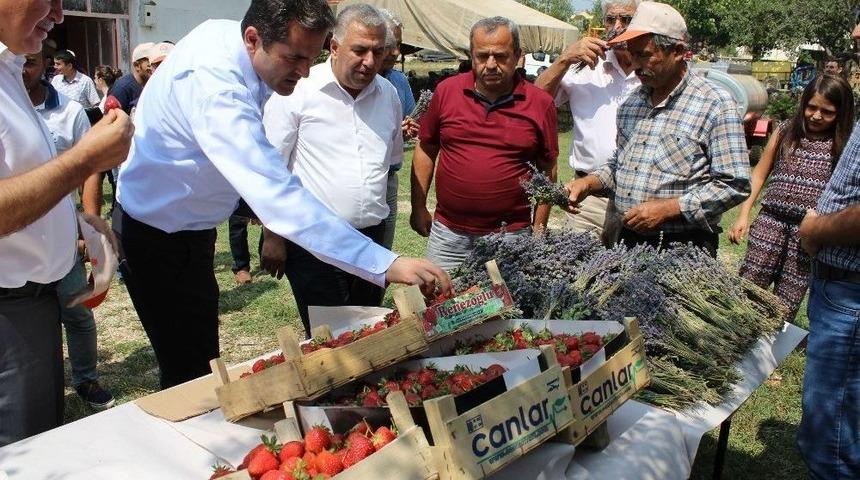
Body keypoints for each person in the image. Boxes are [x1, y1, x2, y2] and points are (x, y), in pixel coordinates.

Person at [114, 0, 451, 390]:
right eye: (294, 58)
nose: (305, 72)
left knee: (201, 363)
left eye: (312, 57)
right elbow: (278, 196)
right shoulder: (216, 89)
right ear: (253, 39)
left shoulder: (233, 40)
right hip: (157, 235)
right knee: (190, 379)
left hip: (192, 227)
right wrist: (385, 263)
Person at [0, 0, 133, 446]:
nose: (59, 15)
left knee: (40, 442)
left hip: (30, 306)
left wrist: (81, 221)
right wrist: (84, 159)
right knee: (24, 453)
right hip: (10, 310)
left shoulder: (9, 69)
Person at [564, 2, 750, 257]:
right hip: (627, 240)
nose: (634, 64)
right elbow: (621, 165)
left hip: (682, 248)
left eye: (644, 55)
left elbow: (735, 184)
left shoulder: (715, 104)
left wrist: (670, 209)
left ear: (678, 51)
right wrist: (588, 183)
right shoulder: (632, 103)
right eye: (632, 54)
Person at [262, 4, 403, 332]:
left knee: (370, 330)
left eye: (378, 51)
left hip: (371, 239)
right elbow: (270, 169)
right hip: (315, 241)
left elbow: (389, 166)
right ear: (334, 46)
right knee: (332, 338)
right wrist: (273, 237)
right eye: (360, 50)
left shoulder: (389, 95)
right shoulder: (298, 90)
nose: (370, 61)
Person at [22, 48, 117, 410]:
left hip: (61, 235)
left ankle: (86, 379)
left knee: (77, 312)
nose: (22, 70)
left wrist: (88, 226)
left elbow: (90, 168)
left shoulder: (69, 112)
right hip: (15, 241)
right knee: (28, 322)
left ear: (44, 64)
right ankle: (36, 390)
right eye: (16, 62)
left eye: (30, 62)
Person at [729, 75, 854, 322]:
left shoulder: (844, 145)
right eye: (811, 107)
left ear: (841, 113)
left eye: (827, 112)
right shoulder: (786, 131)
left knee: (788, 298)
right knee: (748, 286)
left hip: (806, 233)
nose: (816, 116)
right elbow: (759, 174)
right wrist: (743, 214)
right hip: (770, 223)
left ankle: (772, 342)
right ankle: (735, 332)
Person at [795, 13, 860, 479]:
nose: (855, 33)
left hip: (850, 294)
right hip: (840, 287)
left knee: (831, 441)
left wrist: (816, 230)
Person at [535, 0, 641, 244]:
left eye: (626, 19)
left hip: (639, 200)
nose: (617, 26)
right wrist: (564, 59)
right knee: (577, 266)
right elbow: (534, 103)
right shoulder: (584, 66)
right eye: (610, 19)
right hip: (587, 200)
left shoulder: (652, 70)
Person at [378, 8, 417, 251]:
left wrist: (410, 128)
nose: (395, 52)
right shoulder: (355, 81)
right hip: (357, 179)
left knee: (382, 251)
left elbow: (412, 120)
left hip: (389, 179)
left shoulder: (399, 80)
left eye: (399, 44)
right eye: (389, 44)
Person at [107, 42, 153, 115]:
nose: (154, 67)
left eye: (157, 63)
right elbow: (111, 119)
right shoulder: (121, 89)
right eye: (150, 63)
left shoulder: (154, 85)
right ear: (137, 65)